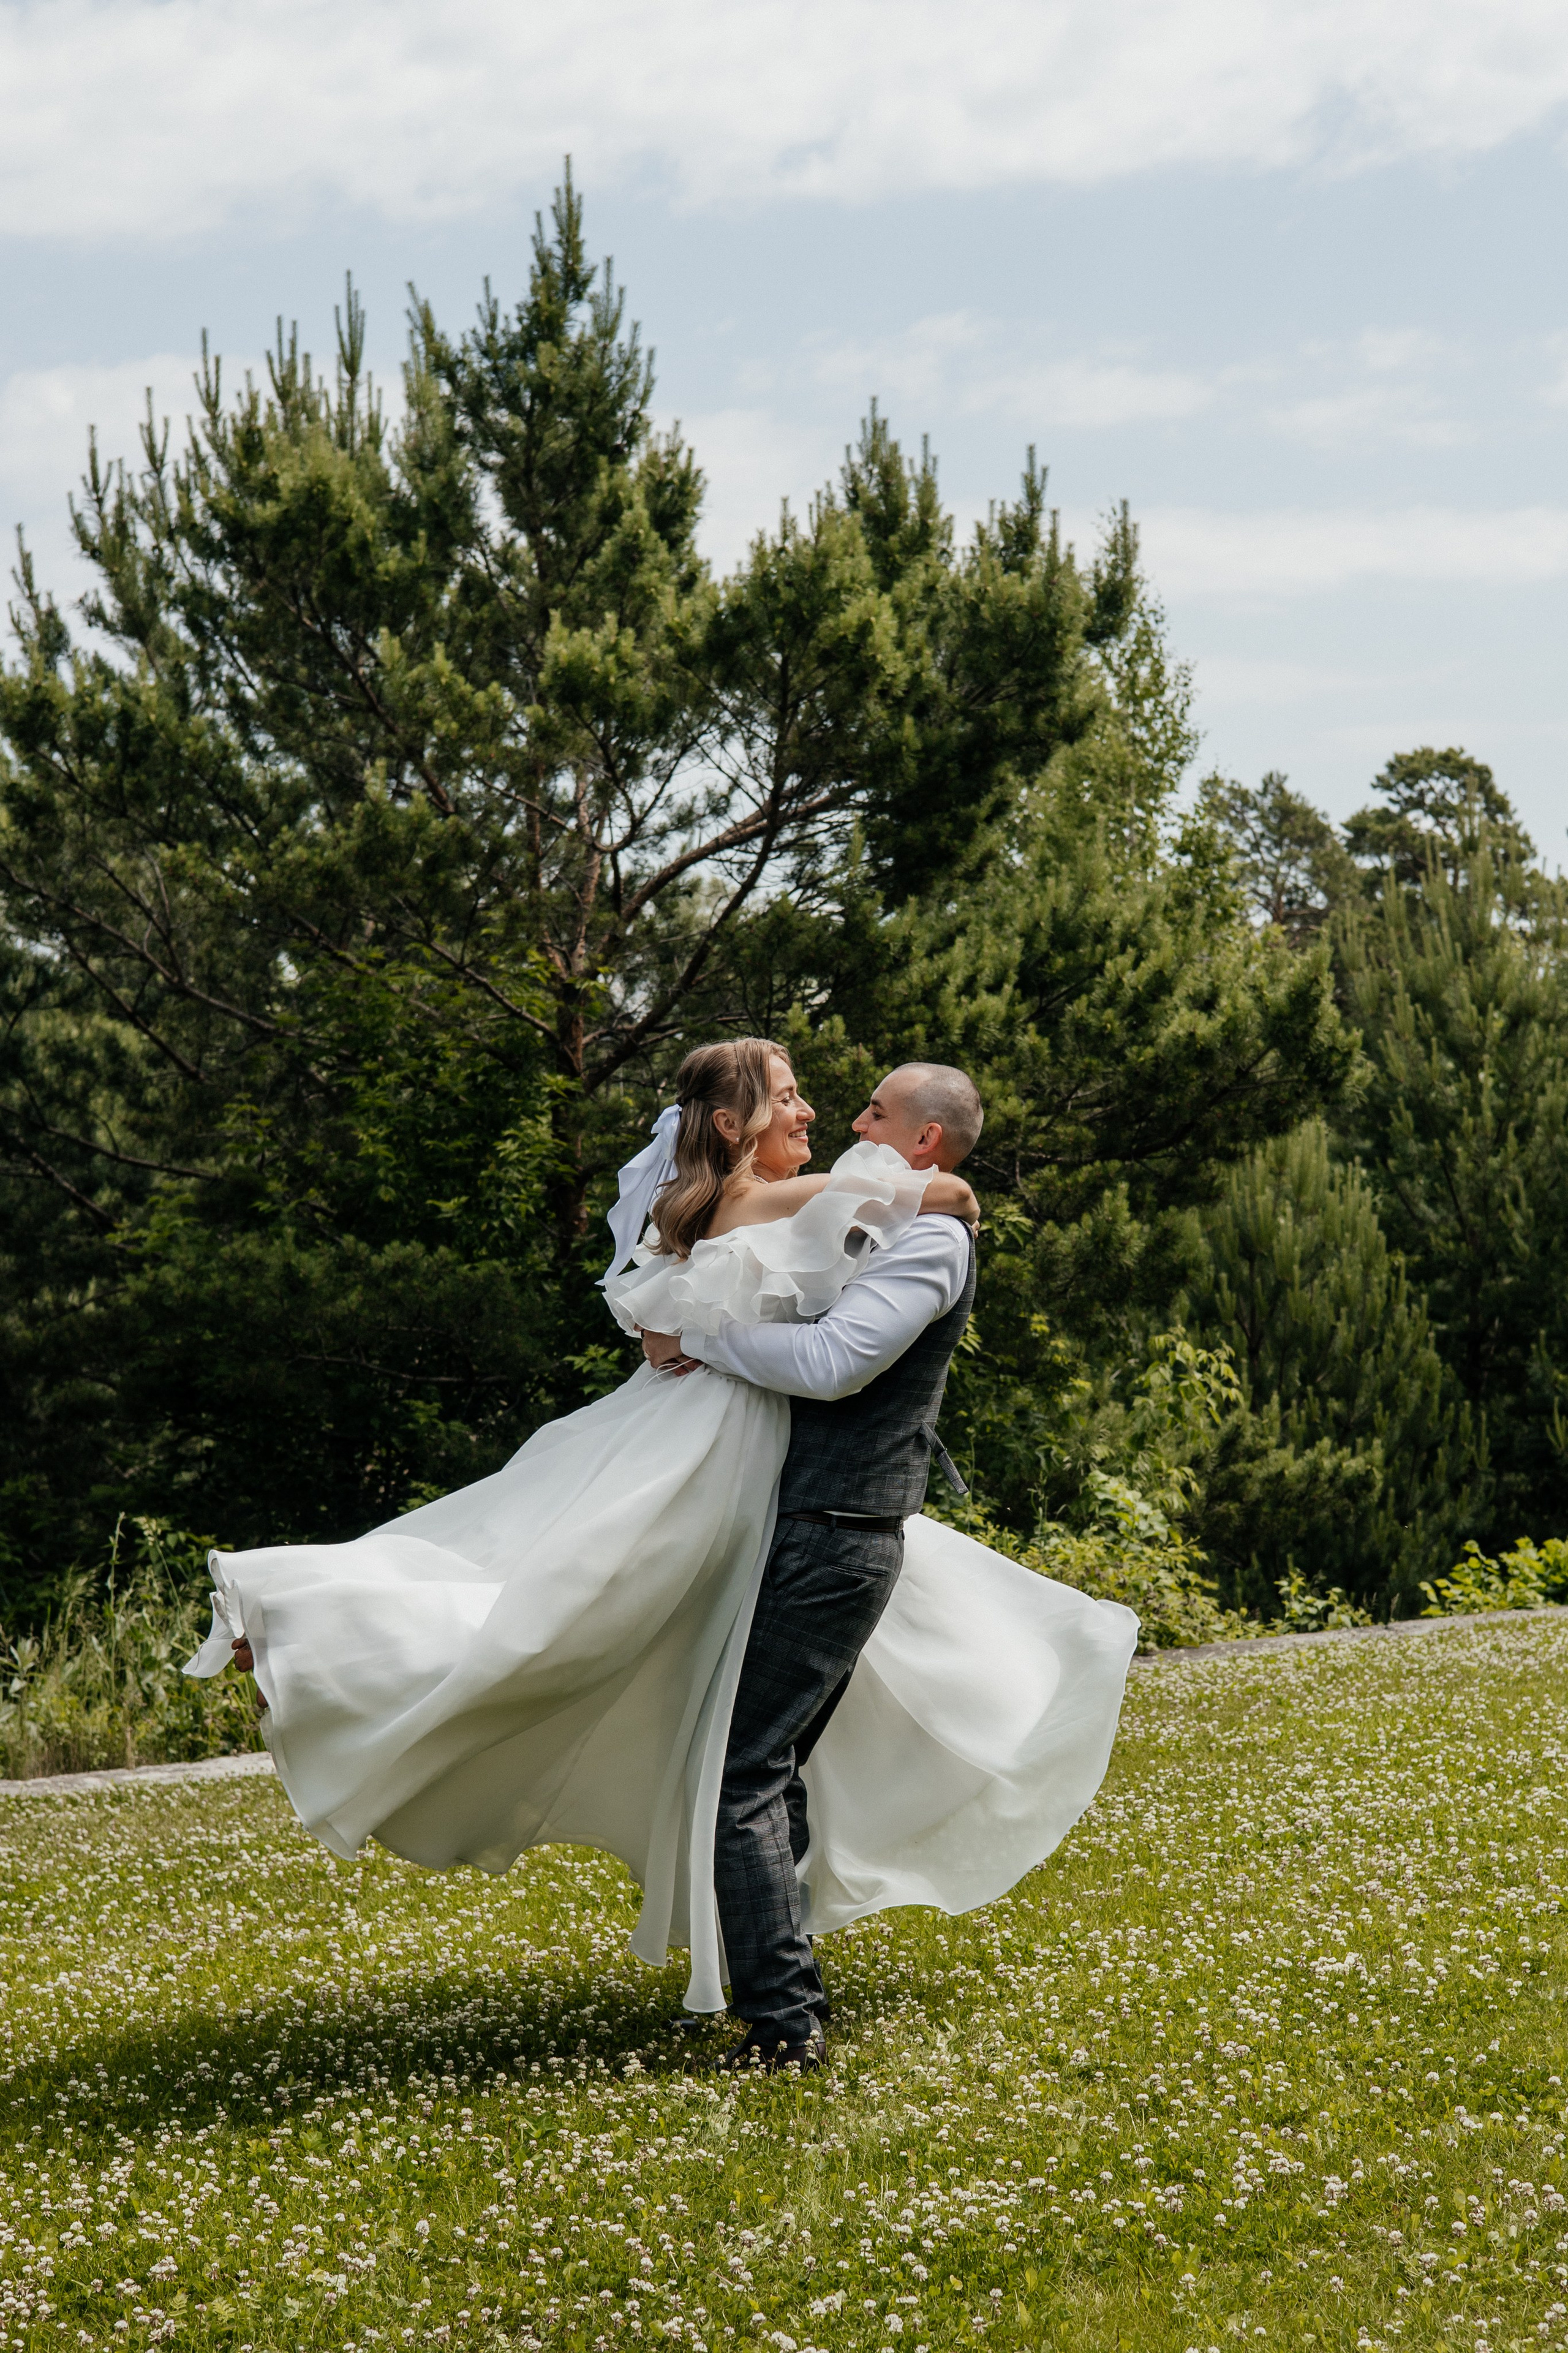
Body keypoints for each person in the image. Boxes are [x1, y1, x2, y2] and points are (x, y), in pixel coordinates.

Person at [190, 1037, 1137, 2039]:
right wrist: (931, 1189)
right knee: (571, 1628)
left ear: (925, 1134)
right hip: (730, 1485)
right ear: (733, 1124)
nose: (833, 1117)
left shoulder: (892, 1229)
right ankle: (327, 1646)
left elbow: (833, 1356)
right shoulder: (779, 1205)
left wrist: (714, 1324)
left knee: (714, 1738)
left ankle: (782, 2007)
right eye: (795, 1097)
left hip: (805, 1512)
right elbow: (812, 1264)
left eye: (867, 1110)